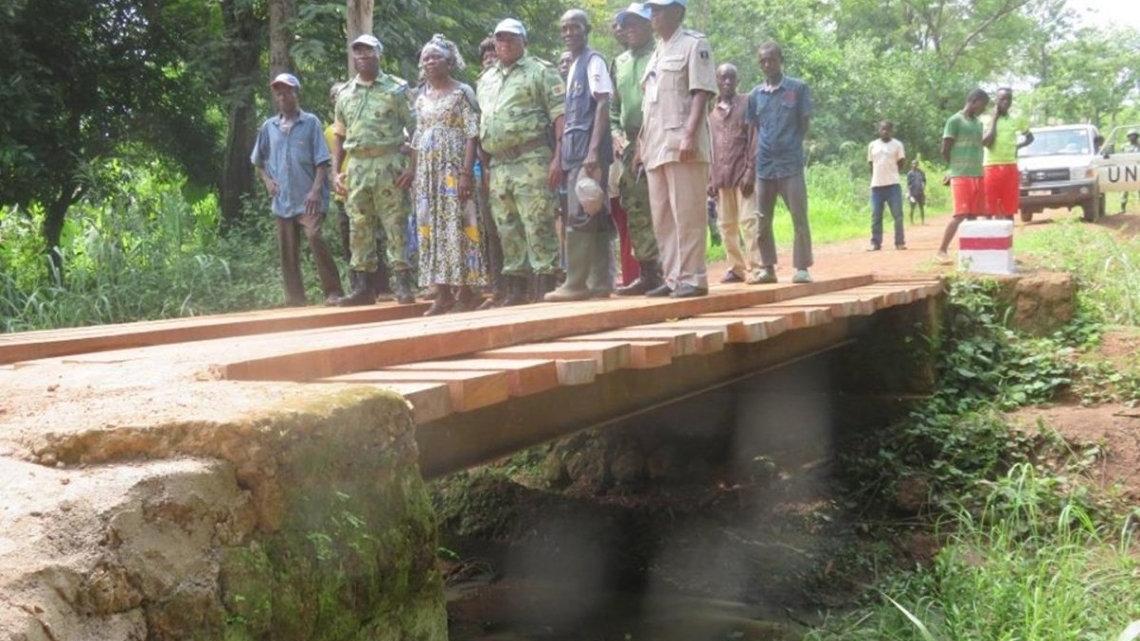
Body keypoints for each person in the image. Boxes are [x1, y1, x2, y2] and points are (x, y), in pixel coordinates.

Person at [477, 18, 566, 305]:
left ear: (523, 41)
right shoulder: (486, 79)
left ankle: (544, 287)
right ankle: (516, 289)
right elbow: (483, 122)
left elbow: (560, 116)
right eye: (500, 38)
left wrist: (559, 158)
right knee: (506, 226)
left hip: (532, 158)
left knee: (538, 222)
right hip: (499, 164)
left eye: (511, 38)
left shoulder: (541, 71)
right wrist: (486, 165)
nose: (505, 43)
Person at [637, 0, 717, 298]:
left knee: (688, 213)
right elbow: (650, 104)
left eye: (659, 9)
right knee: (663, 216)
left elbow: (701, 92)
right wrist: (641, 144)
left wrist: (689, 134)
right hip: (656, 145)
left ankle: (693, 278)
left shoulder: (694, 45)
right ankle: (673, 278)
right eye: (652, 10)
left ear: (677, 12)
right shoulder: (656, 52)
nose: (653, 15)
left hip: (682, 143)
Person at [331, 34, 417, 305]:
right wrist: (336, 172)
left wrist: (412, 167)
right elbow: (339, 135)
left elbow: (416, 128)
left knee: (395, 223)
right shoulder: (345, 93)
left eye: (369, 51)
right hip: (357, 166)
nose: (363, 56)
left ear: (379, 54)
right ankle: (363, 287)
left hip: (388, 163)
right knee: (358, 225)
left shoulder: (397, 89)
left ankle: (402, 283)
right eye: (358, 51)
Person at [251, 73, 343, 306]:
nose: (282, 97)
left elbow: (322, 161)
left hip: (309, 199)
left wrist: (315, 191)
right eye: (279, 93)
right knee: (288, 250)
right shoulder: (269, 127)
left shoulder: (310, 122)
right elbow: (258, 161)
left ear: (295, 93)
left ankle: (333, 291)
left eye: (287, 92)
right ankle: (295, 299)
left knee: (314, 237)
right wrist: (267, 181)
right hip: (283, 199)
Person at [410, 35, 485, 315]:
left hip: (454, 170)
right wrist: (413, 173)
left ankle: (466, 292)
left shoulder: (462, 92)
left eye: (436, 57)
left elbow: (472, 133)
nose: (430, 61)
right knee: (431, 227)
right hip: (427, 175)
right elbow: (417, 137)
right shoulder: (420, 98)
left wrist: (466, 173)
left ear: (449, 62)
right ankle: (442, 294)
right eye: (425, 58)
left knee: (459, 224)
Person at [546, 9, 615, 301]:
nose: (569, 33)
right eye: (564, 28)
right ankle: (599, 282)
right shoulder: (573, 65)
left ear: (587, 30)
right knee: (593, 213)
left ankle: (575, 283)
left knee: (580, 213)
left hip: (589, 151)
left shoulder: (593, 60)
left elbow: (602, 104)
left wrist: (593, 151)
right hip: (575, 151)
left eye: (575, 27)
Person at [746, 41, 814, 284]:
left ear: (781, 60)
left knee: (798, 215)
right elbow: (755, 128)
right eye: (763, 61)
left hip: (791, 164)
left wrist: (790, 144)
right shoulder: (755, 95)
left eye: (772, 60)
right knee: (762, 219)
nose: (767, 64)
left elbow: (804, 124)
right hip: (765, 165)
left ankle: (802, 268)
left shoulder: (798, 88)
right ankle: (768, 268)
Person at [610, 2, 663, 296]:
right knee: (636, 207)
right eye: (625, 24)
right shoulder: (619, 62)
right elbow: (613, 107)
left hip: (659, 137)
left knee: (664, 206)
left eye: (635, 23)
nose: (629, 29)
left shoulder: (661, 54)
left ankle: (671, 270)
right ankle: (648, 272)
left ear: (648, 25)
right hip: (630, 144)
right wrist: (616, 134)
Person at [708, 62, 762, 282]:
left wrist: (750, 171)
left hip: (743, 174)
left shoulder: (747, 103)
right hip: (721, 177)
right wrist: (710, 178)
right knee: (726, 225)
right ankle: (736, 268)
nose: (727, 82)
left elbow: (754, 139)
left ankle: (758, 267)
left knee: (749, 221)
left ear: (738, 81)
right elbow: (709, 147)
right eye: (723, 78)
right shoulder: (711, 112)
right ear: (717, 82)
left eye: (731, 78)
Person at [936, 88, 989, 264]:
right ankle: (942, 250)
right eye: (982, 105)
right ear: (974, 101)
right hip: (960, 175)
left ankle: (971, 252)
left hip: (977, 174)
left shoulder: (978, 123)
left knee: (974, 215)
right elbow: (945, 149)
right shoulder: (954, 121)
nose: (983, 109)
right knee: (960, 214)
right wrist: (952, 169)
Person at [982, 87, 1032, 220]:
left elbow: (1030, 138)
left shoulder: (1016, 119)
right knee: (989, 209)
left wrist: (1018, 147)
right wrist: (994, 119)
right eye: (1002, 99)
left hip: (1010, 166)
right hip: (990, 167)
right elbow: (986, 142)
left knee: (1009, 208)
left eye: (1009, 99)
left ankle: (1008, 233)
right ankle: (988, 232)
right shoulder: (985, 119)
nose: (1006, 102)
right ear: (996, 100)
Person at [866, 120, 906, 251]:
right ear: (879, 130)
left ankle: (899, 242)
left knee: (898, 215)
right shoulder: (872, 145)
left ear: (891, 131)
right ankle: (875, 243)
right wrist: (877, 177)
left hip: (893, 185)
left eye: (887, 129)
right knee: (876, 216)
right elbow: (871, 164)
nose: (885, 131)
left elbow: (901, 163)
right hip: (876, 186)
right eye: (882, 129)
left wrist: (891, 173)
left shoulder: (897, 145)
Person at [1120, 130, 1139, 213]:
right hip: (1127, 169)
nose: (1132, 137)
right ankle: (1122, 208)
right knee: (1125, 189)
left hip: (1138, 169)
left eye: (1134, 135)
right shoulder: (1124, 147)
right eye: (1131, 136)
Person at [906, 160, 927, 225]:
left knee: (921, 207)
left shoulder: (921, 172)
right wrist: (909, 194)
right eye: (913, 164)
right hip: (913, 193)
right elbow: (908, 184)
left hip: (920, 192)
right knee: (912, 207)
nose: (914, 165)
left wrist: (923, 187)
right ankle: (911, 221)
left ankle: (922, 221)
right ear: (911, 165)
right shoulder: (909, 173)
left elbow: (924, 181)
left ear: (918, 165)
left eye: (916, 164)